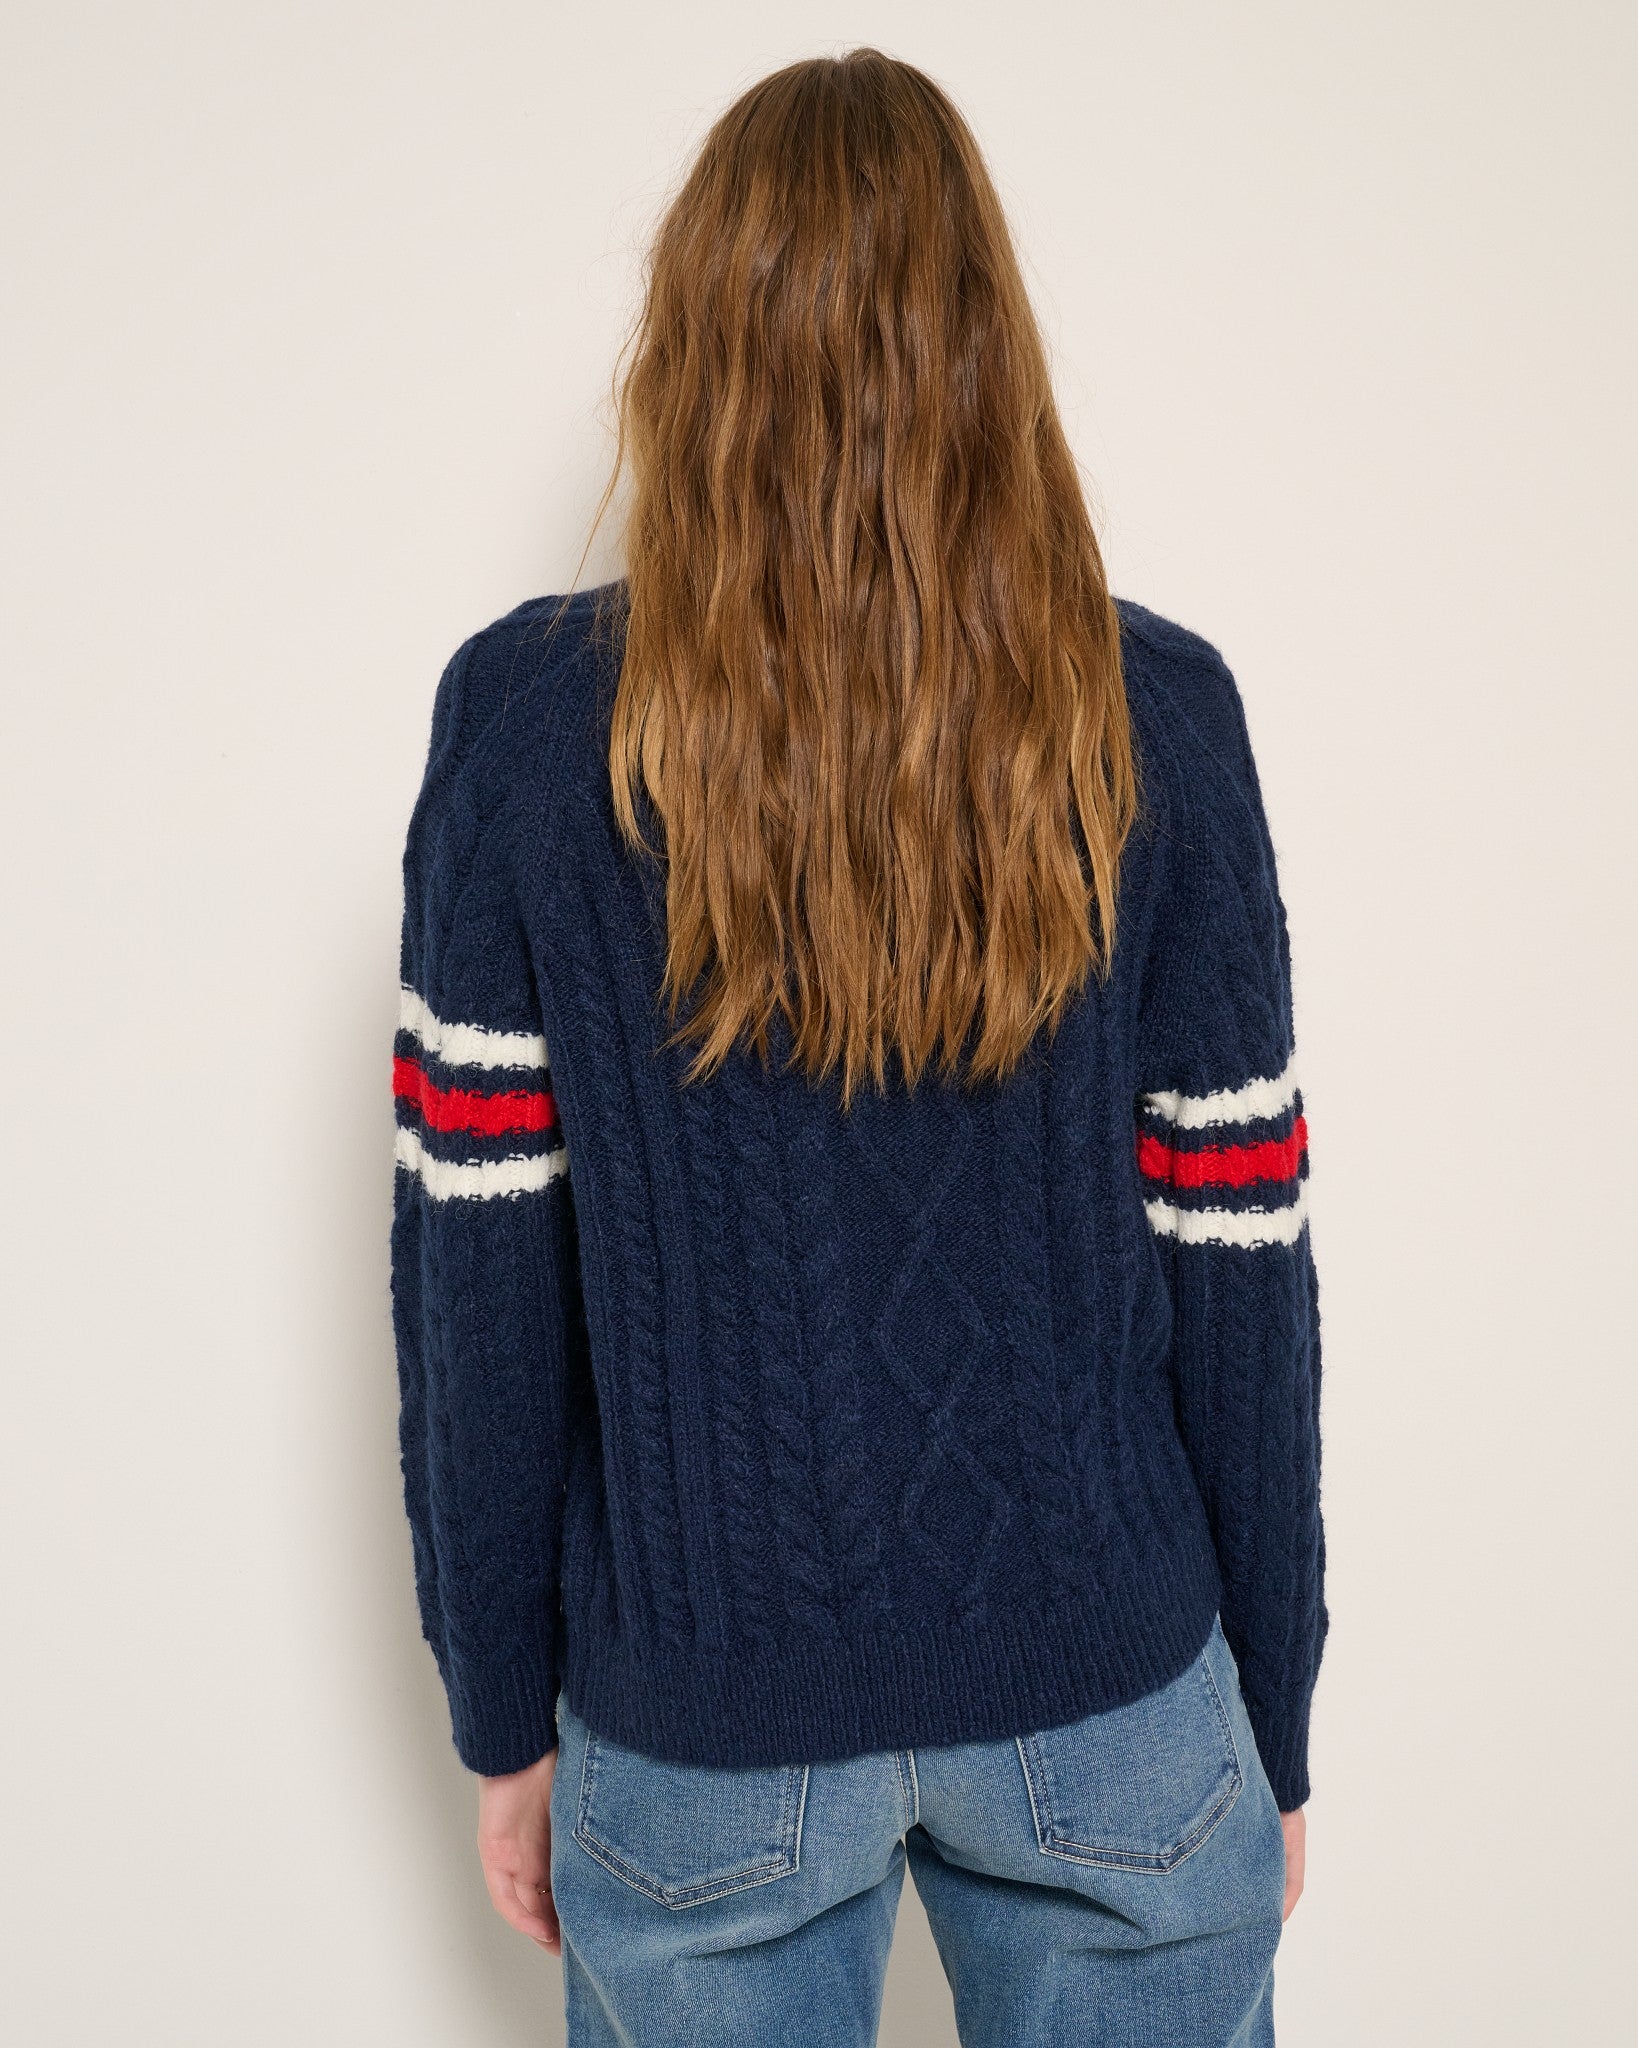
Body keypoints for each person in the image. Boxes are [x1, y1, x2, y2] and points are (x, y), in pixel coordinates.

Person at [389, 47, 1326, 2048]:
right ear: (992, 346)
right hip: (1116, 1703)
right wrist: (1274, 1714)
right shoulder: (1159, 718)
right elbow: (1239, 1255)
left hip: (700, 1718)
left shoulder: (526, 738)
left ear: (689, 352)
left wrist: (500, 1715)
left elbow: (477, 1294)